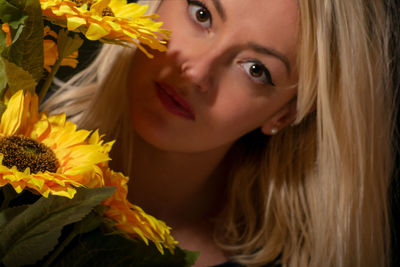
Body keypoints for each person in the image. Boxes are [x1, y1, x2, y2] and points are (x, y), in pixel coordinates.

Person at [43, 0, 397, 266]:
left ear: (285, 115)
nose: (197, 72)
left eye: (256, 69)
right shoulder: (17, 148)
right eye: (202, 15)